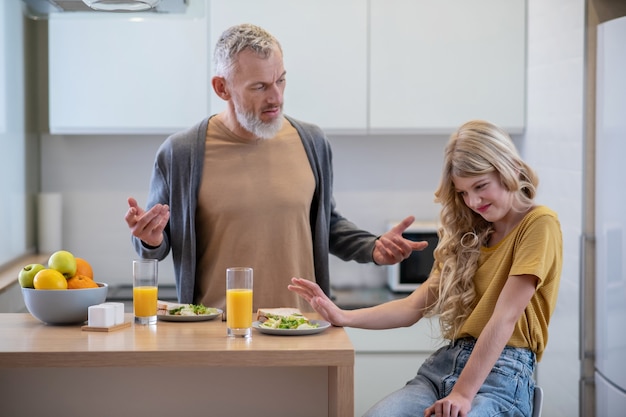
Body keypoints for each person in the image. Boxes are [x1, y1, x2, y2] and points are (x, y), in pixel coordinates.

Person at [124, 23, 426, 312]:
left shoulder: (312, 141)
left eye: (281, 80)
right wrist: (150, 239)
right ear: (222, 88)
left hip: (302, 325)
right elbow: (156, 244)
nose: (277, 97)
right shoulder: (181, 153)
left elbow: (326, 224)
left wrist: (372, 247)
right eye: (260, 87)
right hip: (217, 330)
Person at [289, 119, 563, 417]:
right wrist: (342, 315)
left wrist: (462, 394)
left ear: (508, 166)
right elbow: (412, 307)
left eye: (480, 186)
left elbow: (505, 317)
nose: (472, 201)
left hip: (502, 376)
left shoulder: (539, 223)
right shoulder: (469, 233)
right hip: (442, 369)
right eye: (462, 193)